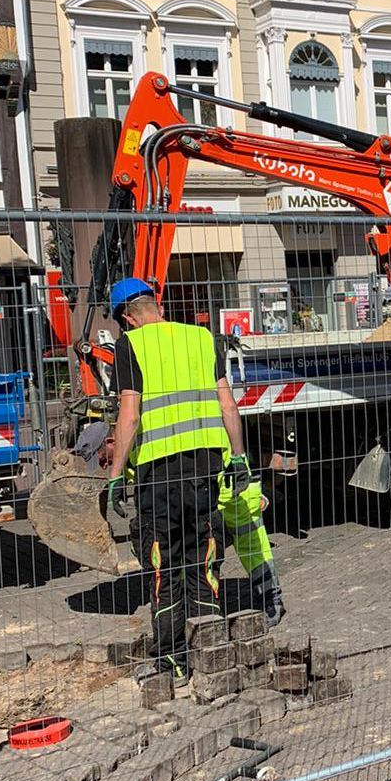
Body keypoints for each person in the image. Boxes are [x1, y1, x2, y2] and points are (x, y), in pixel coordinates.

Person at [106, 278, 250, 685]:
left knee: (164, 565)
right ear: (157, 306)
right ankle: (210, 652)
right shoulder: (202, 338)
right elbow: (227, 404)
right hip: (206, 467)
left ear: (126, 318)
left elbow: (130, 415)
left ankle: (172, 661)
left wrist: (115, 477)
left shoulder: (130, 346)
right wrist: (238, 457)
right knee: (203, 559)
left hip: (159, 474)